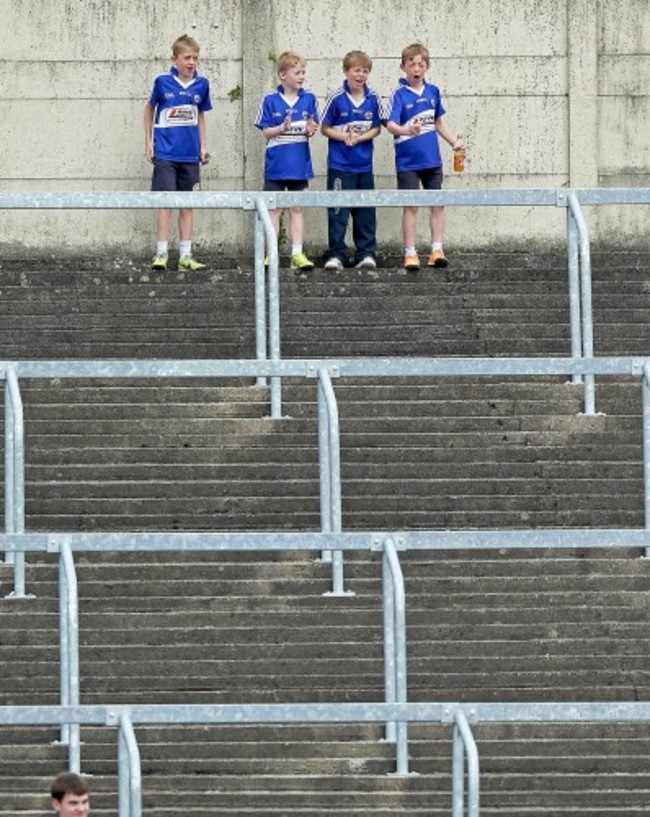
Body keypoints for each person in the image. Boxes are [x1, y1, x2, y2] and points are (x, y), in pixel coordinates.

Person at [386, 42, 462, 271]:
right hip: (407, 162)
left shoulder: (433, 92)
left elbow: (438, 122)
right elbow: (390, 125)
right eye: (412, 65)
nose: (416, 69)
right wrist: (407, 131)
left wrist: (453, 143)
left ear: (427, 66)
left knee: (437, 204)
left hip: (433, 160)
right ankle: (410, 252)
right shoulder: (398, 95)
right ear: (403, 67)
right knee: (411, 206)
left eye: (420, 64)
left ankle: (436, 249)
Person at [144, 33, 212, 272]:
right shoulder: (163, 83)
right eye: (187, 57)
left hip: (190, 156)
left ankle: (186, 254)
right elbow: (149, 109)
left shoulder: (201, 85)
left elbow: (200, 114)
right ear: (175, 59)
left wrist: (203, 146)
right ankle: (161, 253)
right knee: (165, 202)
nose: (192, 62)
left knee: (188, 204)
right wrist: (149, 142)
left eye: (195, 58)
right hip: (166, 154)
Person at [254, 51, 319, 271]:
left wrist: (311, 130)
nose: (301, 76)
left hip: (299, 165)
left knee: (296, 208)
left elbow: (312, 127)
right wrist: (281, 127)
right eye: (297, 72)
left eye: (303, 72)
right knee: (274, 210)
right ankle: (271, 253)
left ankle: (297, 253)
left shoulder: (309, 99)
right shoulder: (270, 101)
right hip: (275, 166)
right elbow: (265, 132)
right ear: (282, 75)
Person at [321, 50, 382, 271]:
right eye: (357, 70)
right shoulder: (336, 98)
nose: (361, 75)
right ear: (346, 71)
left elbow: (377, 128)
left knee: (365, 211)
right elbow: (324, 128)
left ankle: (365, 253)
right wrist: (344, 137)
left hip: (364, 165)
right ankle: (336, 254)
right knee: (338, 210)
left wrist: (361, 138)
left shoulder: (373, 98)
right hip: (340, 165)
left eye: (365, 71)